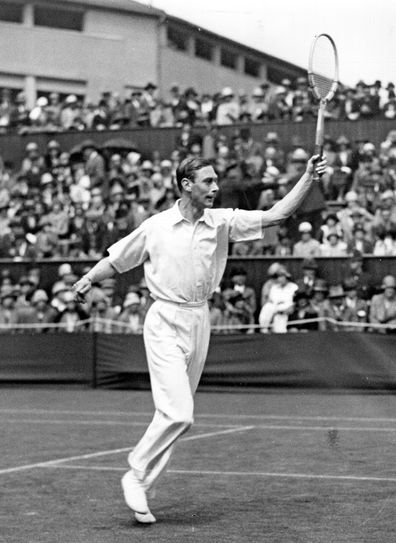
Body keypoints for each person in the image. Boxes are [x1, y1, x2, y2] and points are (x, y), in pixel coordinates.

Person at [72, 153, 327, 524]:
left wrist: (307, 178)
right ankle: (136, 470)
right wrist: (87, 279)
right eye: (207, 181)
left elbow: (276, 215)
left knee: (171, 414)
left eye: (216, 180)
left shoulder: (222, 221)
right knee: (180, 413)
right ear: (186, 185)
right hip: (163, 320)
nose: (216, 187)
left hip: (199, 319)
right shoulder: (156, 226)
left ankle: (143, 486)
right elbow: (117, 260)